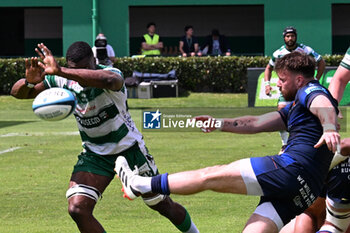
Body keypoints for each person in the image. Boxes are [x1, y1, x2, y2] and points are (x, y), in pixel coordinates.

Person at [115, 52, 340, 233]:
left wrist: (329, 127)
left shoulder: (311, 90)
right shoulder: (295, 109)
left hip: (290, 170)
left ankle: (140, 184)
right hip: (305, 190)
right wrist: (220, 123)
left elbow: (321, 103)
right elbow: (255, 122)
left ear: (298, 79)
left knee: (210, 176)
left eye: (282, 80)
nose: (278, 85)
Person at [10, 42, 199, 233]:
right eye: (77, 70)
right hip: (95, 154)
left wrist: (62, 71)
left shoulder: (110, 74)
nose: (80, 76)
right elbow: (17, 93)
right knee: (77, 209)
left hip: (129, 150)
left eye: (85, 69)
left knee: (162, 205)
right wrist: (29, 82)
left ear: (94, 60)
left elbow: (109, 81)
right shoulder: (62, 79)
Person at [264, 26, 326, 151]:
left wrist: (316, 79)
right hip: (287, 87)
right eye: (287, 36)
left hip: (303, 86)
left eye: (292, 36)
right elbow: (268, 68)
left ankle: (315, 138)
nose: (290, 38)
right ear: (284, 38)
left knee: (311, 112)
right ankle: (285, 143)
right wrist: (267, 84)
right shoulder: (278, 53)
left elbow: (321, 62)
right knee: (282, 110)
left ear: (296, 37)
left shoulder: (305, 50)